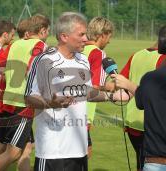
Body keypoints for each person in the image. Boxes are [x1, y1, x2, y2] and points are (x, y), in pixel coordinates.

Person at [25, 12, 92, 171]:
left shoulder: (83, 60)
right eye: (81, 34)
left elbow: (87, 92)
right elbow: (28, 98)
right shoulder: (44, 61)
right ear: (64, 36)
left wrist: (113, 95)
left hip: (79, 149)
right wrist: (49, 103)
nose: (86, 38)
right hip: (52, 151)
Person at [0, 14, 50, 171]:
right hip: (24, 104)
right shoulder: (41, 46)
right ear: (43, 30)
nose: (48, 34)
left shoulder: (15, 44)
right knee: (13, 153)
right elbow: (31, 70)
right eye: (48, 31)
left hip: (9, 100)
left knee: (26, 147)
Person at [111, 25, 166, 171]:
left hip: (134, 122)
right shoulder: (163, 59)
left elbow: (121, 84)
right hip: (153, 125)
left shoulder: (137, 55)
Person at [82, 16, 113, 157]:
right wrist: (111, 88)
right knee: (83, 155)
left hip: (66, 107)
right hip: (83, 111)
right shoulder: (98, 53)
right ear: (103, 35)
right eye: (109, 36)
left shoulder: (79, 48)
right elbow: (94, 87)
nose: (109, 41)